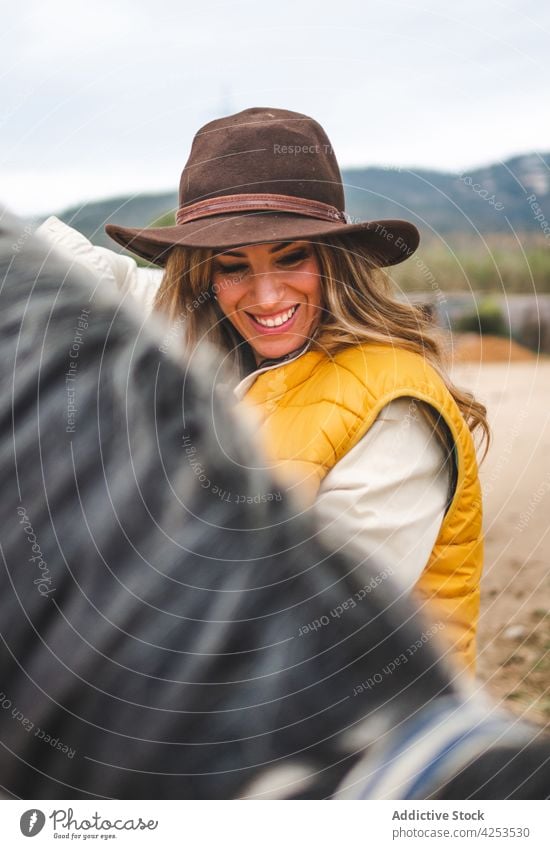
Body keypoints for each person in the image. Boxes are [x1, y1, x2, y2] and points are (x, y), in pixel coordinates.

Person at [38, 107, 489, 675]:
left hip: (350, 744)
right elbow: (82, 280)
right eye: (232, 265)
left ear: (337, 261)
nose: (267, 296)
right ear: (205, 278)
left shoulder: (395, 403)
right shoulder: (225, 349)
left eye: (292, 256)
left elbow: (323, 633)